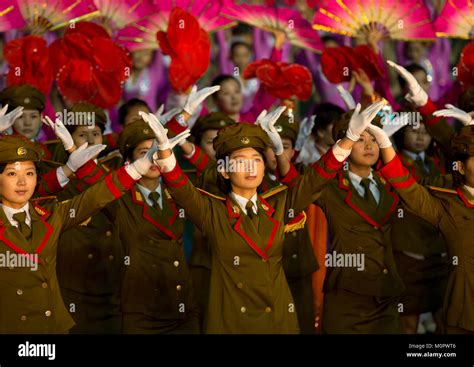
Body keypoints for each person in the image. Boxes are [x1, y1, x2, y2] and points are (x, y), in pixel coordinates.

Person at [139, 100, 383, 334]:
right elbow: (182, 189)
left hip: (277, 318)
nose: (250, 168)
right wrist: (165, 153)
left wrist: (349, 139)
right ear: (223, 170)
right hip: (232, 320)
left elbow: (316, 179)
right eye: (240, 162)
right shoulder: (212, 210)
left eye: (256, 160)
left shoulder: (278, 203)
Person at [0, 133, 155, 333]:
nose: (22, 182)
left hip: (52, 326)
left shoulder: (50, 215)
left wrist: (136, 169)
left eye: (29, 173)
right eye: (12, 174)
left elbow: (95, 198)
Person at [371, 117, 474, 334]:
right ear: (461, 169)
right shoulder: (448, 205)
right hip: (465, 311)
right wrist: (385, 145)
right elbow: (409, 190)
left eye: (424, 132)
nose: (420, 137)